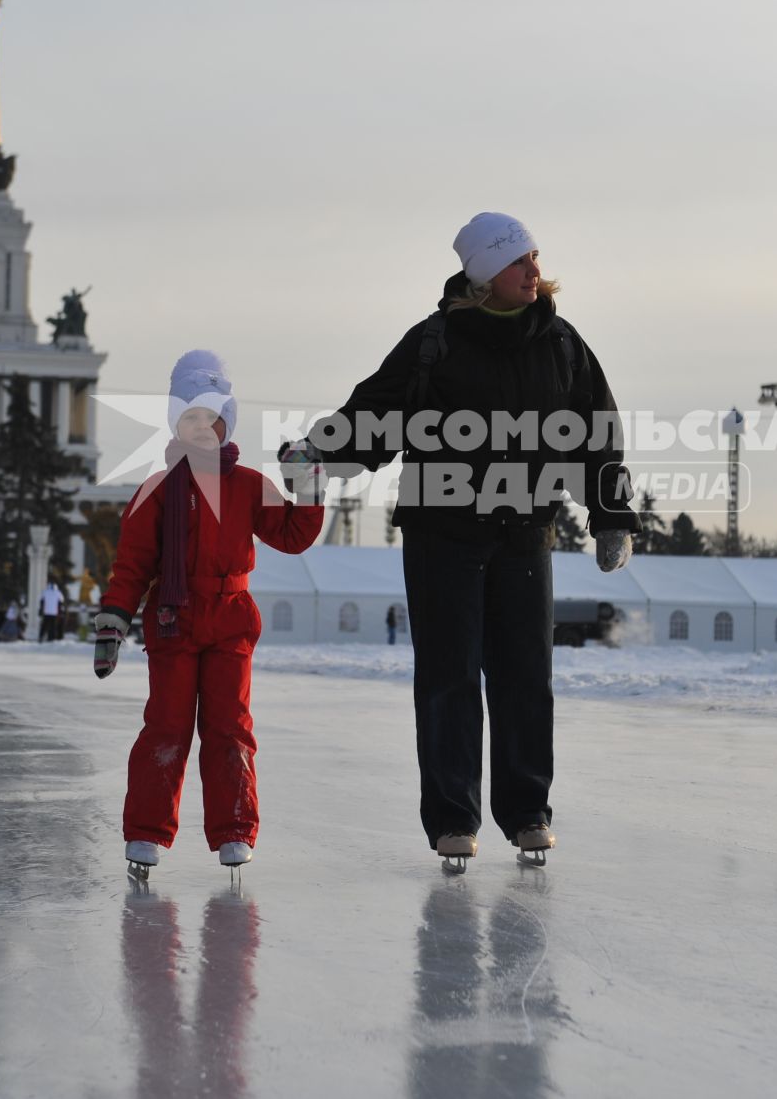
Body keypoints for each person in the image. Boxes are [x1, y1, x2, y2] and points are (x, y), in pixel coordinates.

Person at [284, 213, 637, 869]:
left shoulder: (561, 344)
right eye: (519, 260)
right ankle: (453, 818)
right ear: (484, 274)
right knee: (449, 677)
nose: (535, 270)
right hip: (442, 533)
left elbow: (598, 431)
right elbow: (378, 411)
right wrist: (318, 453)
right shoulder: (435, 343)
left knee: (525, 675)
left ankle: (527, 811)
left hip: (526, 530)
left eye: (535, 258)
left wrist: (611, 513)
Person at [92, 350, 324, 877]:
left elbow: (292, 535)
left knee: (229, 727)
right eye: (189, 418)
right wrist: (113, 622)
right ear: (177, 424)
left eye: (209, 418)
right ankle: (147, 834)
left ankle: (234, 829)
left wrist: (308, 484)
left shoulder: (245, 483)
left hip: (230, 619)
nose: (200, 428)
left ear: (226, 422)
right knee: (167, 727)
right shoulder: (156, 489)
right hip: (174, 619)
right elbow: (132, 564)